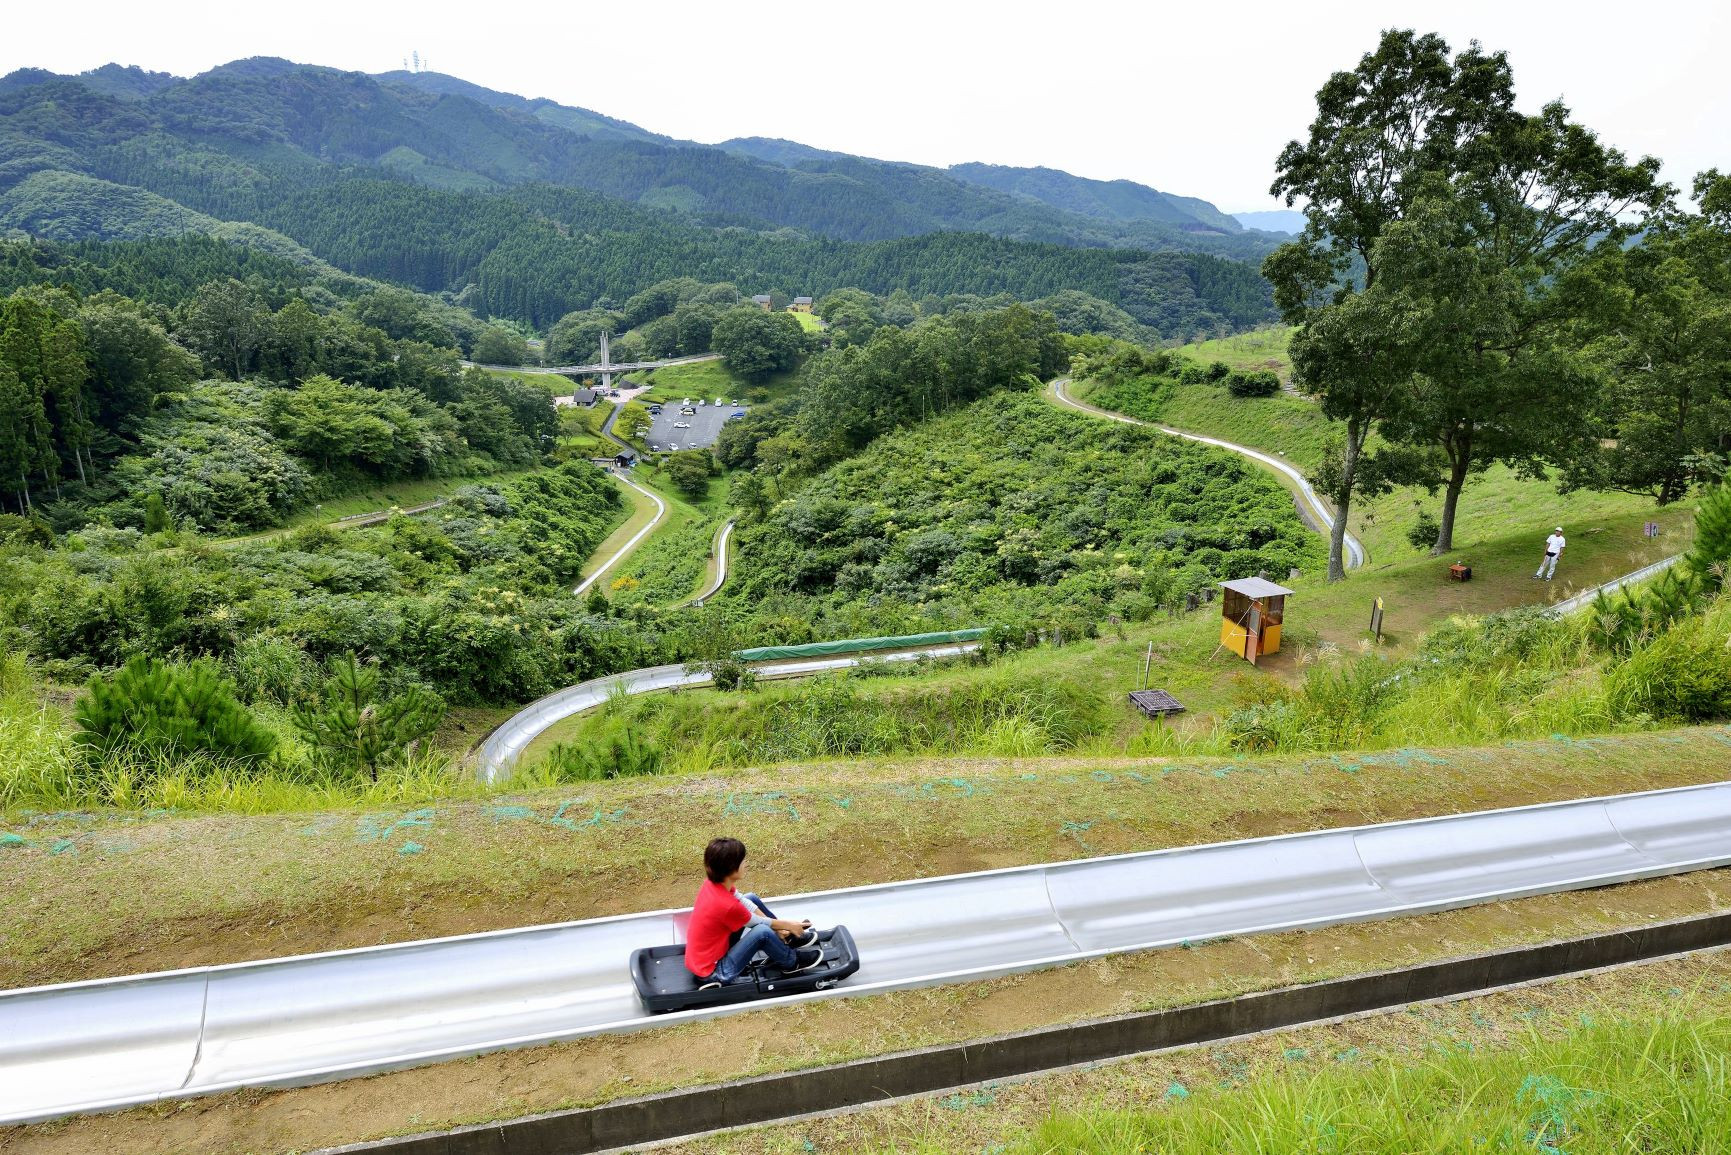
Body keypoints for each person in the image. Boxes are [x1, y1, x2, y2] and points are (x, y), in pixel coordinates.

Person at [685, 837, 822, 989]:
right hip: (715, 972)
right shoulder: (726, 905)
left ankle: (784, 939)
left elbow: (744, 901)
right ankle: (792, 962)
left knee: (751, 898)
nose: (746, 864)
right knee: (762, 932)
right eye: (743, 861)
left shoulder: (714, 884)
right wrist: (787, 925)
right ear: (732, 868)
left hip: (708, 956)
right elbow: (757, 923)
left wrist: (781, 929)